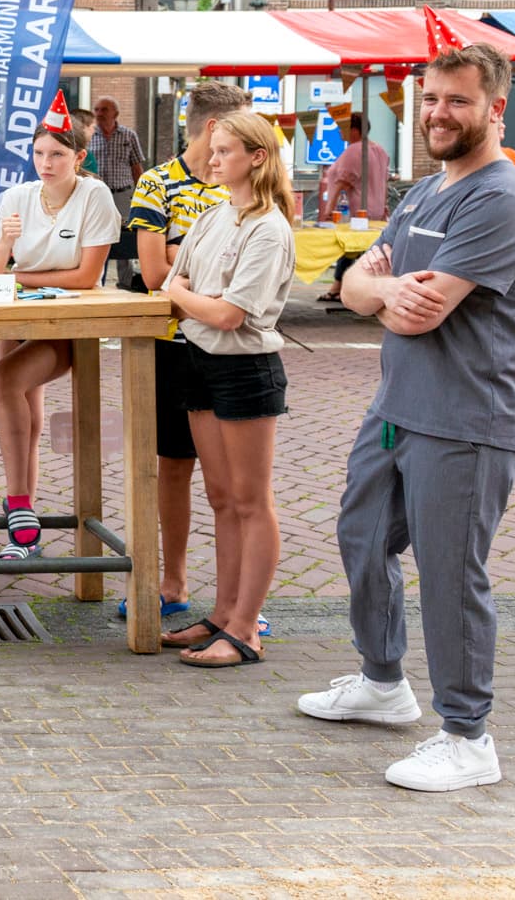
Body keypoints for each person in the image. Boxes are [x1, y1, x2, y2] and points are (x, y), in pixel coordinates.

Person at [300, 44, 515, 793]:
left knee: (448, 573)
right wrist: (376, 290)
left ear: (495, 109)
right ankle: (383, 681)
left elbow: (417, 311)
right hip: (396, 408)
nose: (439, 112)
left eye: (458, 100)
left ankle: (468, 735)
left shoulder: (501, 199)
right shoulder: (422, 193)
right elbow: (351, 285)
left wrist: (383, 290)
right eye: (431, 98)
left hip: (466, 419)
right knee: (361, 535)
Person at [157, 111, 295, 669]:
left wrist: (182, 293)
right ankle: (221, 614)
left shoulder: (269, 226)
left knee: (249, 500)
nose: (211, 160)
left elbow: (229, 314)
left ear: (256, 157)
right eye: (212, 151)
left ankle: (246, 630)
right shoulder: (215, 215)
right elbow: (181, 283)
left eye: (223, 152)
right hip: (197, 361)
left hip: (244, 369)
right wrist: (187, 294)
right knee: (219, 497)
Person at [126, 78, 251, 618]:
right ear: (213, 128)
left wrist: (183, 256)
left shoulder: (247, 184)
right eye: (241, 127)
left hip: (230, 347)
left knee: (234, 481)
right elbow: (154, 274)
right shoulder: (156, 183)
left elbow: (252, 272)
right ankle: (172, 585)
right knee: (173, 465)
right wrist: (206, 264)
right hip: (173, 345)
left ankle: (240, 600)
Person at [0, 114, 118, 559]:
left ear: (79, 157)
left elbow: (86, 276)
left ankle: (18, 504)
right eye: (39, 153)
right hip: (16, 319)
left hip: (67, 325)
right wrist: (4, 245)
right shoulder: (16, 196)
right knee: (27, 417)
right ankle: (24, 529)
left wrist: (21, 276)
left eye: (57, 154)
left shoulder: (94, 194)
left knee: (4, 381)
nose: (46, 162)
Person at [89, 96, 147, 285]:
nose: (99, 114)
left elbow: (136, 166)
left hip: (122, 194)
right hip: (97, 196)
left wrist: (142, 195)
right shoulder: (89, 135)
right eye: (96, 110)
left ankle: (126, 283)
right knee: (99, 237)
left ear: (116, 113)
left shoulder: (129, 135)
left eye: (104, 110)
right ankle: (99, 281)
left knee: (125, 240)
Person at [317, 112, 391, 222]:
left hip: (356, 215)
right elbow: (384, 184)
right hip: (377, 213)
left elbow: (342, 183)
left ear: (354, 130)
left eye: (343, 128)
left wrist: (328, 212)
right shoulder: (381, 151)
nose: (339, 131)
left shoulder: (354, 150)